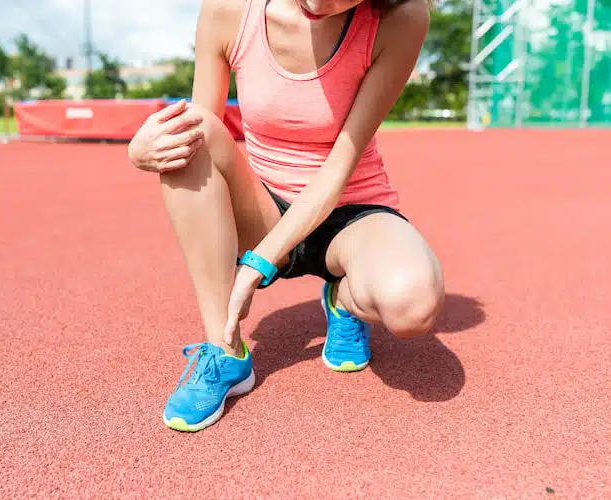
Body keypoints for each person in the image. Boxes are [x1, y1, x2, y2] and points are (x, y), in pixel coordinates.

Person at [128, 0, 445, 432]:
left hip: (351, 212)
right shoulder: (228, 10)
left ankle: (343, 298)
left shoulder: (401, 17)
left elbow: (337, 169)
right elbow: (201, 127)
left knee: (413, 308)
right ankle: (223, 351)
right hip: (264, 208)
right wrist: (142, 151)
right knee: (188, 137)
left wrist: (259, 261)